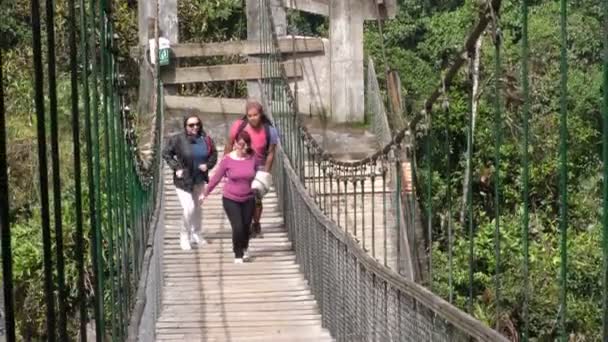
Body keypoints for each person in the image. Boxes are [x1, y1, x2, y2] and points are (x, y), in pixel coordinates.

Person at [162, 114, 218, 250]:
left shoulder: (206, 139)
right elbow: (166, 153)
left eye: (197, 124)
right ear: (185, 126)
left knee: (197, 207)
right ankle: (184, 236)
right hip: (184, 180)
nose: (195, 127)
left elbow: (214, 154)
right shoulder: (177, 139)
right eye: (191, 125)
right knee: (189, 208)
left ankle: (196, 233)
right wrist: (176, 167)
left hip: (199, 178)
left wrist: (208, 165)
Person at [202, 131, 259, 264]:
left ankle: (244, 247)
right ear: (235, 144)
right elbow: (216, 177)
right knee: (238, 226)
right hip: (230, 198)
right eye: (241, 144)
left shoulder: (253, 158)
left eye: (246, 145)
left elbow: (259, 173)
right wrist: (205, 193)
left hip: (249, 197)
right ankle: (237, 254)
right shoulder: (227, 159)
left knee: (246, 226)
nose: (244, 147)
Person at [224, 100, 278, 238]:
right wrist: (226, 164)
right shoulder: (238, 126)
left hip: (258, 168)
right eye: (250, 115)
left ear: (261, 114)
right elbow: (229, 143)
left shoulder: (269, 130)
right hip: (239, 164)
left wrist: (266, 172)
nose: (253, 118)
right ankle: (245, 225)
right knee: (241, 197)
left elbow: (271, 152)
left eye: (255, 115)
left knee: (257, 199)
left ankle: (256, 223)